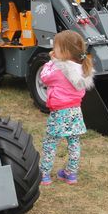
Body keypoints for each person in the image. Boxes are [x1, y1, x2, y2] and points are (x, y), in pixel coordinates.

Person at [39, 31, 95, 185]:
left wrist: (51, 61)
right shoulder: (83, 68)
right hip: (75, 111)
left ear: (65, 52)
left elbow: (44, 77)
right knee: (74, 142)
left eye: (55, 48)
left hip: (59, 112)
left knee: (50, 142)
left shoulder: (58, 70)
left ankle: (44, 173)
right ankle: (70, 173)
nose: (53, 50)